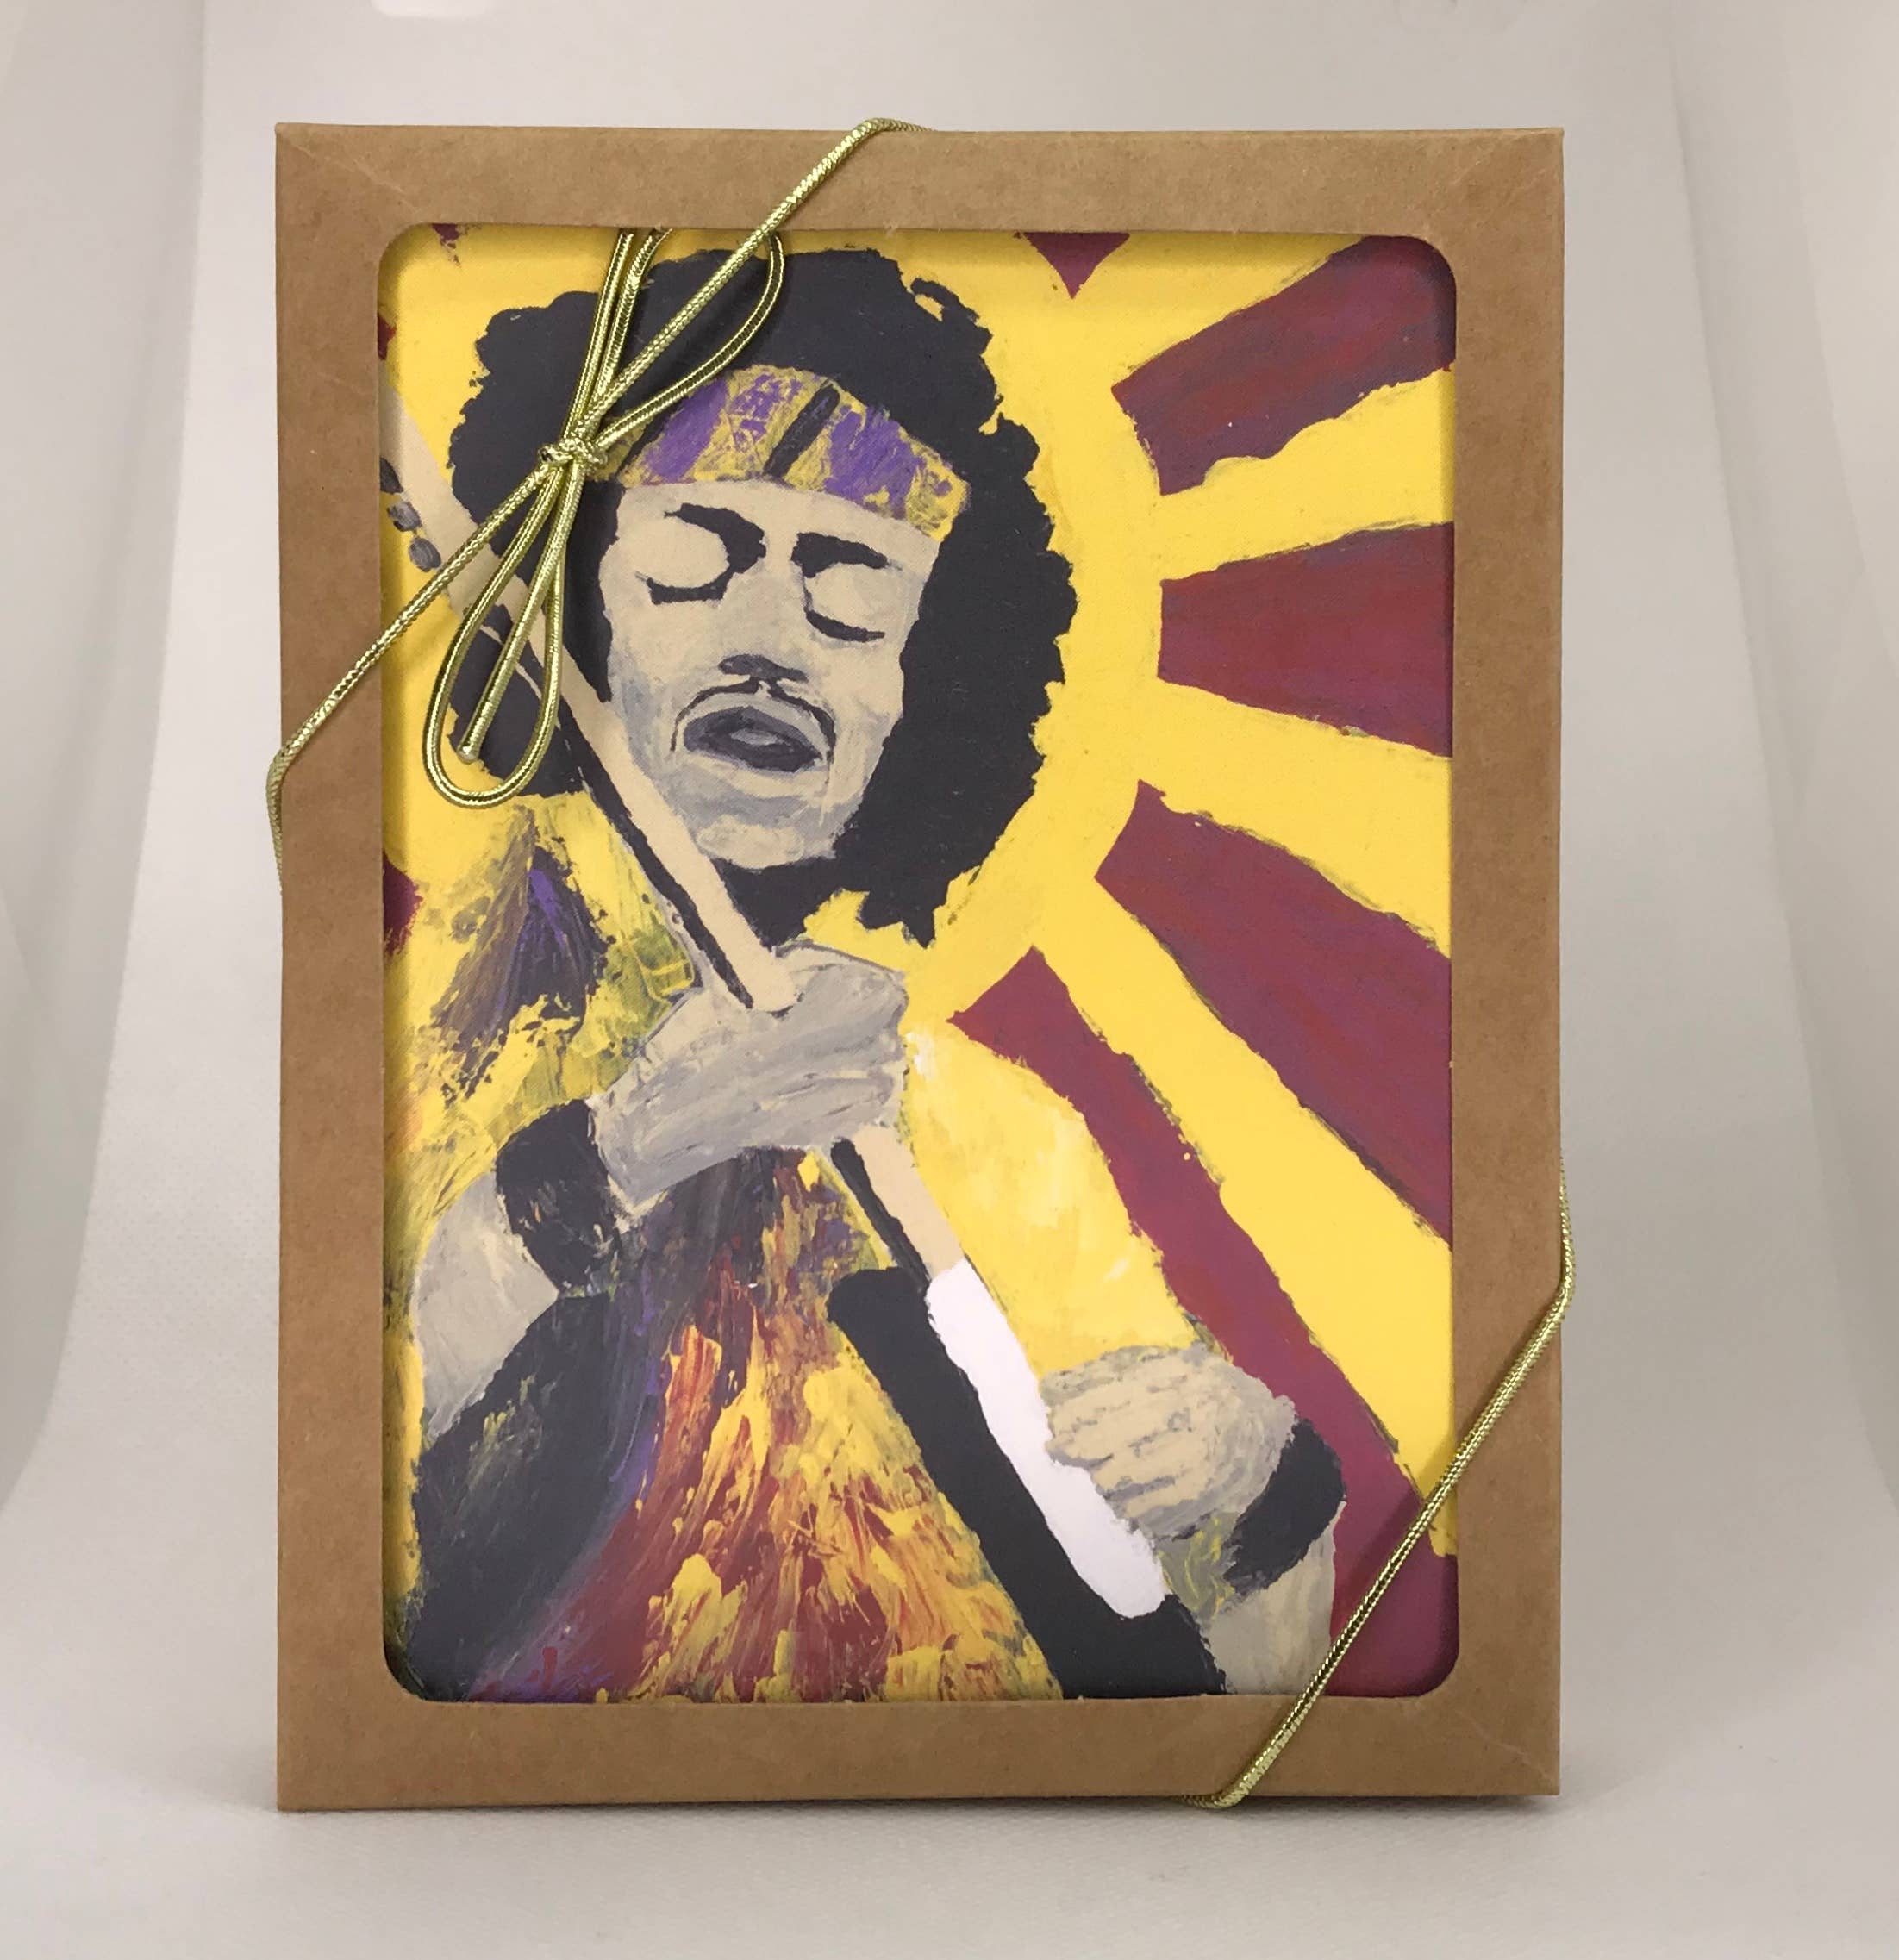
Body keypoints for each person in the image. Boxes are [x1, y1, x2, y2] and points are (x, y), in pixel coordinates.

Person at [387, 249, 1344, 1704]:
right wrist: (620, 1152)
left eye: (852, 597)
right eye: (696, 556)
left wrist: (1261, 1480)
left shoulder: (1000, 1143)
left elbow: (1237, 1685)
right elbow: (343, 1438)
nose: (772, 645)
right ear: (578, 606)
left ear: (925, 687)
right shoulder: (439, 1008)